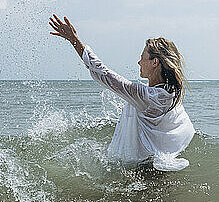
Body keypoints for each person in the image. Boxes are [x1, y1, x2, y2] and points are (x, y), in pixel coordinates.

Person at [49, 14, 195, 171]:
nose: (139, 62)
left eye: (142, 58)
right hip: (157, 165)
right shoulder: (172, 93)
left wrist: (74, 41)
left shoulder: (146, 96)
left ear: (155, 62)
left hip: (143, 169)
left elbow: (104, 74)